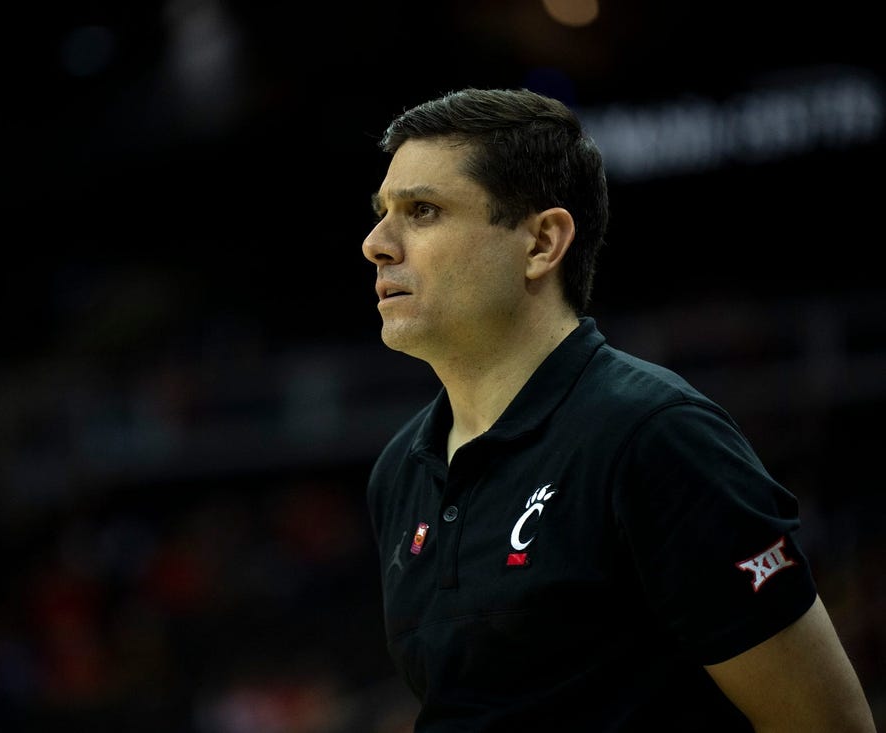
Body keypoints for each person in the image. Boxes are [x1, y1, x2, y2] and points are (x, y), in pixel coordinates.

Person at [361, 87, 877, 732]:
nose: (376, 244)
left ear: (542, 243)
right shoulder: (398, 471)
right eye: (383, 212)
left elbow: (828, 726)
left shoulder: (655, 437)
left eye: (424, 210)